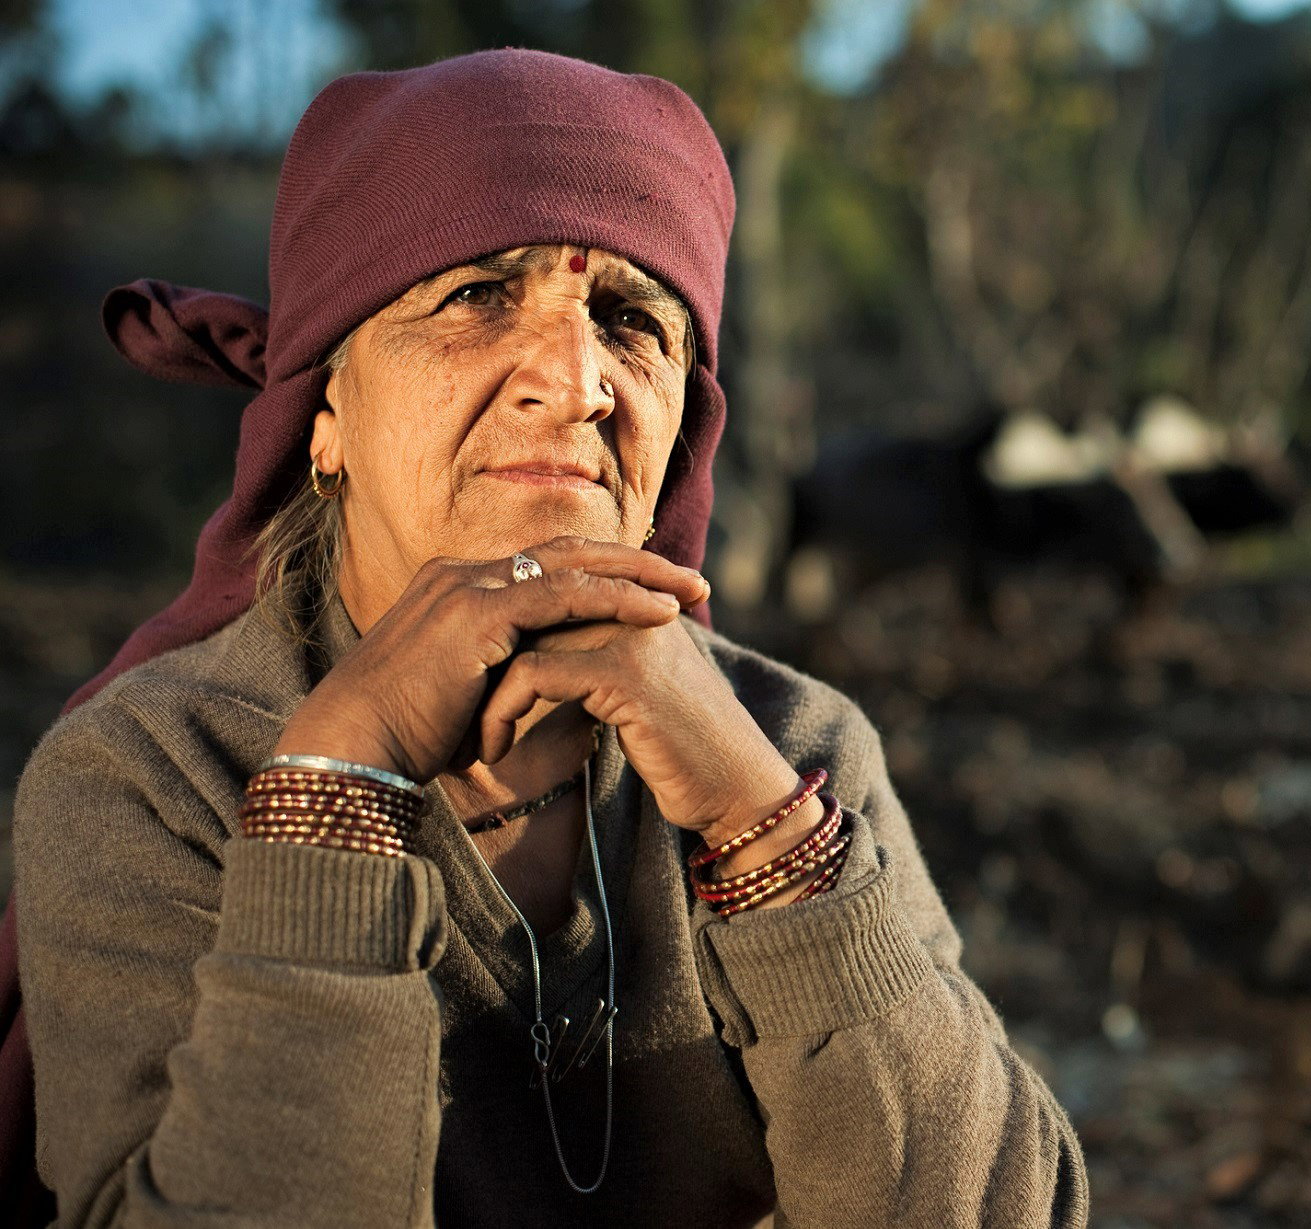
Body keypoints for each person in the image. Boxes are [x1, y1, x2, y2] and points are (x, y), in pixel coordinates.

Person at [0, 48, 1089, 1228]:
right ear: (325, 417)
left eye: (630, 321)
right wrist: (336, 788)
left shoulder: (795, 747)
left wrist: (767, 833)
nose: (576, 383)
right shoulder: (156, 776)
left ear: (680, 426)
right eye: (475, 297)